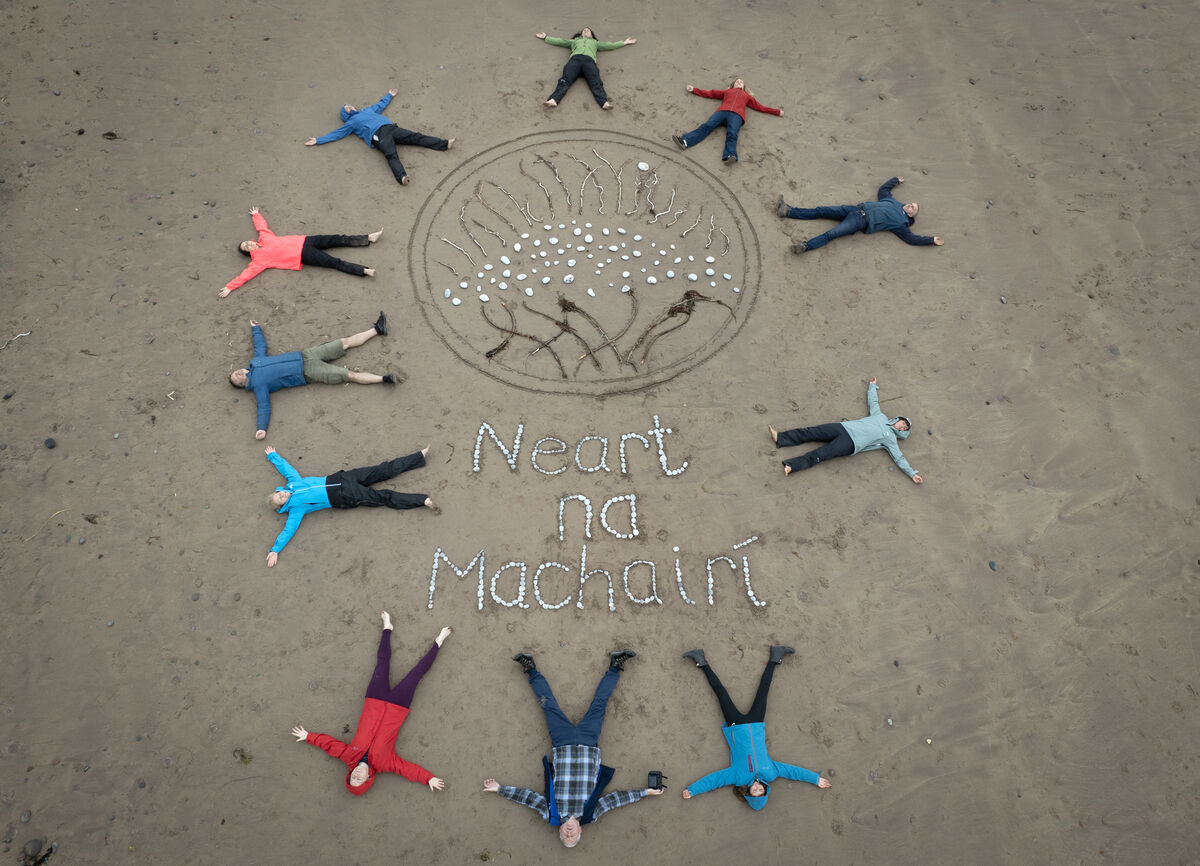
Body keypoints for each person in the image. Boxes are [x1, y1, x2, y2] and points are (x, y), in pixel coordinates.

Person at [482, 649, 663, 848]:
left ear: (560, 830)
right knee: (599, 705)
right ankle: (615, 666)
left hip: (562, 744)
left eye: (565, 837)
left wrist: (500, 789)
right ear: (580, 831)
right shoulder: (591, 814)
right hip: (588, 744)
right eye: (573, 837)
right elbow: (615, 800)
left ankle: (530, 668)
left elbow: (529, 798)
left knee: (548, 706)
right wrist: (645, 792)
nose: (569, 834)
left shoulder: (551, 813)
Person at [291, 613, 452, 797]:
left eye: (353, 777)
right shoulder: (385, 764)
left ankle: (387, 628)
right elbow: (406, 769)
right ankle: (439, 641)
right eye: (359, 779)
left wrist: (308, 736)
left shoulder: (348, 756)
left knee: (382, 665)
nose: (357, 775)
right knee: (416, 674)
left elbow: (329, 744)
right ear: (369, 778)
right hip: (398, 708)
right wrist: (428, 778)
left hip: (374, 700)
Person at [680, 646, 832, 808]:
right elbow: (793, 772)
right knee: (763, 690)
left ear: (748, 792)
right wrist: (816, 779)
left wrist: (693, 790)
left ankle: (701, 661)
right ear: (766, 790)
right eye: (762, 791)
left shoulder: (738, 777)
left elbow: (715, 780)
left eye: (755, 792)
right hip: (756, 723)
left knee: (721, 693)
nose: (758, 788)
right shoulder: (772, 772)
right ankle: (775, 657)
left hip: (736, 726)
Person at [262, 445, 435, 568]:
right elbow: (288, 530)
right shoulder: (296, 510)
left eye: (280, 494)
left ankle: (419, 457)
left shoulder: (294, 483)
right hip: (344, 496)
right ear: (282, 507)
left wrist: (273, 457)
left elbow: (286, 469)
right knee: (384, 497)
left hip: (342, 478)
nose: (283, 496)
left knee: (383, 470)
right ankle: (422, 500)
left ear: (280, 490)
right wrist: (275, 549)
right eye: (281, 500)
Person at [230, 315, 398, 440]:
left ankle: (377, 329)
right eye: (235, 379)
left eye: (235, 372)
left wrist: (255, 329)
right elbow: (263, 407)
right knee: (349, 375)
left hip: (306, 354)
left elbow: (260, 346)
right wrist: (261, 428)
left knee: (345, 342)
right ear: (242, 385)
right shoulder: (258, 387)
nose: (236, 374)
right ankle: (383, 379)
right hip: (309, 372)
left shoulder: (255, 361)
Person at [771, 377, 923, 483]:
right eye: (903, 423)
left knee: (821, 454)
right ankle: (781, 438)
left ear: (903, 432)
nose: (902, 426)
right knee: (812, 431)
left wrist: (912, 473)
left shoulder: (890, 439)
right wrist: (872, 386)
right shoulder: (881, 416)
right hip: (844, 427)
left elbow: (899, 458)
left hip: (850, 443)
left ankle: (792, 466)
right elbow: (873, 402)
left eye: (904, 428)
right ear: (898, 419)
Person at [304, 88, 455, 186]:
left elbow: (379, 105)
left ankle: (444, 144)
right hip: (377, 135)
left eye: (349, 105)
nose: (350, 107)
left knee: (416, 137)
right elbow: (336, 134)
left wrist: (389, 95)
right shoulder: (351, 123)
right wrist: (318, 140)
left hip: (391, 128)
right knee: (391, 154)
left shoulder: (367, 111)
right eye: (347, 109)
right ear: (346, 115)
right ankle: (401, 177)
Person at [219, 208, 380, 297]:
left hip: (305, 240)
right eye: (246, 247)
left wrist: (256, 215)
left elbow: (261, 226)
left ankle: (367, 238)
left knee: (336, 239)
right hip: (302, 255)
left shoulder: (265, 238)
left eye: (247, 242)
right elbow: (246, 275)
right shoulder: (259, 261)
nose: (249, 244)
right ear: (249, 252)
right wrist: (230, 287)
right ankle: (363, 270)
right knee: (333, 262)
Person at [778, 176, 944, 253]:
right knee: (821, 210)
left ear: (911, 215)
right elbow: (884, 190)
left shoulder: (901, 224)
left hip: (860, 222)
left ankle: (806, 246)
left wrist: (931, 240)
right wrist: (895, 180)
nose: (910, 205)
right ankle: (788, 211)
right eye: (911, 203)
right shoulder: (892, 202)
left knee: (831, 234)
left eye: (913, 208)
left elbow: (912, 239)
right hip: (854, 209)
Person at [671, 79, 782, 163]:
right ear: (732, 85)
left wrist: (777, 112)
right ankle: (684, 141)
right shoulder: (727, 92)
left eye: (741, 82)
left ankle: (729, 156)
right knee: (707, 126)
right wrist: (694, 90)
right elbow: (711, 93)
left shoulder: (747, 96)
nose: (739, 82)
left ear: (744, 87)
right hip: (722, 112)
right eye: (737, 81)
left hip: (736, 116)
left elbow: (760, 107)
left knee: (732, 134)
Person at [535, 27, 637, 109]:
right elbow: (560, 41)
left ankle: (604, 102)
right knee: (565, 80)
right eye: (584, 30)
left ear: (592, 35)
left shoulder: (595, 43)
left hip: (589, 62)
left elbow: (610, 45)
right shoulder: (574, 41)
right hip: (575, 60)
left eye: (588, 30)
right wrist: (546, 37)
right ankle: (553, 100)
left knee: (595, 82)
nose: (586, 31)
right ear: (581, 34)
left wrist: (624, 42)